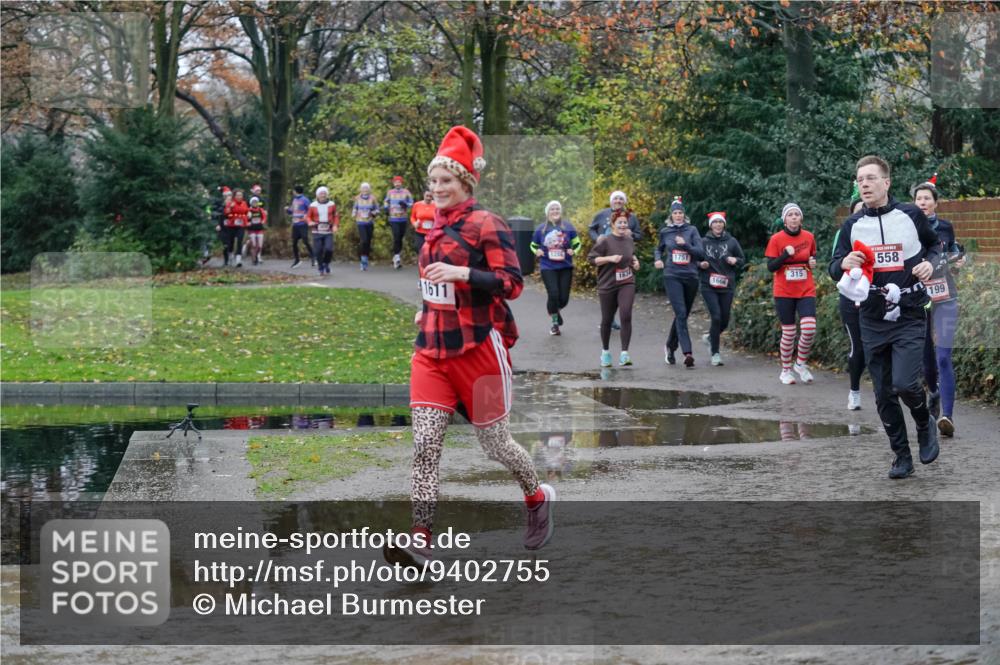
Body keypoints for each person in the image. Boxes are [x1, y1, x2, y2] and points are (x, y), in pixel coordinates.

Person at [383, 126, 554, 569]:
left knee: (496, 444)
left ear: (465, 183)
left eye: (446, 180)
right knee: (424, 446)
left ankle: (536, 499)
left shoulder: (486, 224)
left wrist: (463, 277)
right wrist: (427, 309)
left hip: (480, 351)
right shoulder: (431, 228)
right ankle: (421, 540)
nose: (437, 188)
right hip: (432, 352)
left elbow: (513, 285)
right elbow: (432, 284)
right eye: (433, 181)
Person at [830, 155, 941, 479]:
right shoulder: (851, 226)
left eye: (870, 178)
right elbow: (833, 266)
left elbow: (937, 247)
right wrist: (844, 263)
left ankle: (924, 421)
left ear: (886, 182)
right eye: (859, 179)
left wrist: (930, 264)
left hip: (908, 312)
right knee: (882, 393)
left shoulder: (911, 215)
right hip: (873, 316)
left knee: (905, 383)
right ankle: (901, 456)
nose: (863, 183)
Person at [912, 174, 963, 438]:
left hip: (946, 296)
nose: (922, 202)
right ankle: (932, 394)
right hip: (919, 300)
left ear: (935, 203)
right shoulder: (907, 227)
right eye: (918, 198)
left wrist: (958, 258)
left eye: (927, 198)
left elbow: (954, 251)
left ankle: (947, 416)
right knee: (927, 362)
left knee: (943, 357)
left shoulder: (945, 227)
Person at [766, 202, 818, 385]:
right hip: (784, 291)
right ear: (784, 219)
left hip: (805, 289)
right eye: (790, 215)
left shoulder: (809, 237)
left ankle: (801, 363)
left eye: (797, 214)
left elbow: (812, 256)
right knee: (789, 332)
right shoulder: (776, 239)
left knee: (809, 327)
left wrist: (812, 262)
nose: (794, 217)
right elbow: (771, 266)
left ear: (801, 218)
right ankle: (786, 370)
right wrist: (784, 256)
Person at [655, 196, 705, 368]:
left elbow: (700, 253)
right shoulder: (665, 232)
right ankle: (688, 353)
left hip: (690, 277)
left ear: (684, 215)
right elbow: (659, 248)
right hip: (672, 276)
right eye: (675, 213)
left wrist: (685, 245)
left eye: (680, 213)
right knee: (682, 314)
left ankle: (670, 345)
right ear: (671, 215)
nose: (678, 215)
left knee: (681, 315)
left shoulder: (692, 230)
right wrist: (657, 259)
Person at [588, 209, 640, 367]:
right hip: (608, 284)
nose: (623, 225)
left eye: (625, 222)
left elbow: (631, 256)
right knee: (607, 320)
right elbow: (591, 259)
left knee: (626, 315)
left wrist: (635, 262)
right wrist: (609, 258)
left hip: (626, 282)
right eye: (620, 223)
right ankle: (605, 352)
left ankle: (624, 354)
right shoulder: (605, 240)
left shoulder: (629, 240)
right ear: (613, 224)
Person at [697, 211, 744, 366]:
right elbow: (694, 259)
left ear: (724, 225)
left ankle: (711, 337)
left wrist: (734, 260)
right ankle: (715, 353)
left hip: (727, 285)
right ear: (711, 226)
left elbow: (742, 260)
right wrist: (700, 264)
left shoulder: (732, 241)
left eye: (720, 222)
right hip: (708, 285)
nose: (718, 225)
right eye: (715, 223)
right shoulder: (703, 242)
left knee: (724, 320)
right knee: (716, 316)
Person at [833, 197, 867, 410]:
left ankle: (887, 394)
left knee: (880, 349)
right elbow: (834, 266)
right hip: (851, 299)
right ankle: (854, 390)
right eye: (857, 212)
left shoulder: (883, 232)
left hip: (877, 298)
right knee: (859, 347)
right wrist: (844, 263)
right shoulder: (845, 233)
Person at [531, 200, 581, 335]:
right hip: (548, 266)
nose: (555, 211)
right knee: (553, 294)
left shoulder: (568, 227)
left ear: (560, 212)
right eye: (552, 209)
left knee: (563, 299)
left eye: (557, 209)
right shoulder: (541, 229)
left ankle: (554, 309)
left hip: (565, 266)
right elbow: (533, 245)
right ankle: (554, 323)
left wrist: (574, 251)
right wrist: (537, 252)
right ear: (548, 212)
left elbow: (577, 243)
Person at [307, 186, 339, 276]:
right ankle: (321, 267)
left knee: (329, 249)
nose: (323, 195)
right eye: (321, 194)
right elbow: (308, 216)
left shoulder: (332, 204)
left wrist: (335, 225)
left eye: (324, 193)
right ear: (317, 195)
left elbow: (336, 216)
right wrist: (310, 222)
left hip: (328, 230)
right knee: (318, 250)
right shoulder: (313, 205)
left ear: (327, 195)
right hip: (316, 230)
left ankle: (326, 263)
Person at [383, 176, 414, 269]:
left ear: (401, 183)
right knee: (396, 236)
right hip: (393, 218)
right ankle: (396, 257)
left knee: (400, 237)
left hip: (403, 218)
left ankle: (397, 255)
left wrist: (406, 204)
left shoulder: (406, 192)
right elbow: (386, 201)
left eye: (399, 182)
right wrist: (385, 207)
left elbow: (412, 203)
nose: (397, 183)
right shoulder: (390, 192)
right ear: (393, 183)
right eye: (396, 182)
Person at [352, 182, 380, 271]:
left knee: (368, 242)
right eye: (363, 188)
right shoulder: (357, 198)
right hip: (360, 222)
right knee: (363, 240)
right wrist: (354, 214)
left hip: (369, 222)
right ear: (361, 190)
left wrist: (373, 213)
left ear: (369, 190)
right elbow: (355, 208)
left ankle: (366, 259)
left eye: (366, 188)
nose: (365, 190)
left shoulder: (373, 198)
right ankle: (362, 260)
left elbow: (377, 210)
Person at [287, 185, 313, 268]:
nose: (293, 192)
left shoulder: (305, 200)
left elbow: (310, 210)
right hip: (295, 224)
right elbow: (292, 211)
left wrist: (306, 216)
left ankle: (313, 257)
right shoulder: (294, 200)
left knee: (305, 240)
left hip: (302, 224)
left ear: (295, 191)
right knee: (294, 242)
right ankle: (297, 260)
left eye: (293, 191)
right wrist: (287, 209)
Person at [223, 188, 249, 267]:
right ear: (234, 196)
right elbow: (226, 213)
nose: (239, 197)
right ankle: (230, 256)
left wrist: (249, 214)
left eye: (240, 195)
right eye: (237, 195)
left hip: (241, 225)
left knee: (240, 240)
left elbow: (247, 211)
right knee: (231, 242)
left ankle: (238, 259)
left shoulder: (244, 203)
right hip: (232, 225)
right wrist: (230, 207)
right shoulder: (231, 203)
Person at [410, 190, 436, 255]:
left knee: (431, 252)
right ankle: (421, 264)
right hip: (420, 232)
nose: (428, 198)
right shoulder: (417, 205)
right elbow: (412, 217)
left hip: (432, 233)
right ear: (423, 195)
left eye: (430, 196)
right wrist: (414, 223)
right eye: (427, 196)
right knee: (421, 250)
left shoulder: (437, 205)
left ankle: (429, 264)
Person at [246, 196, 267, 265]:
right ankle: (254, 258)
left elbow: (264, 217)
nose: (255, 203)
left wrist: (263, 221)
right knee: (254, 244)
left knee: (260, 245)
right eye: (253, 202)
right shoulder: (248, 210)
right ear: (251, 203)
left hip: (259, 228)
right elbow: (246, 218)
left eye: (256, 202)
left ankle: (258, 256)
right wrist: (248, 222)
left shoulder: (260, 210)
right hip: (252, 229)